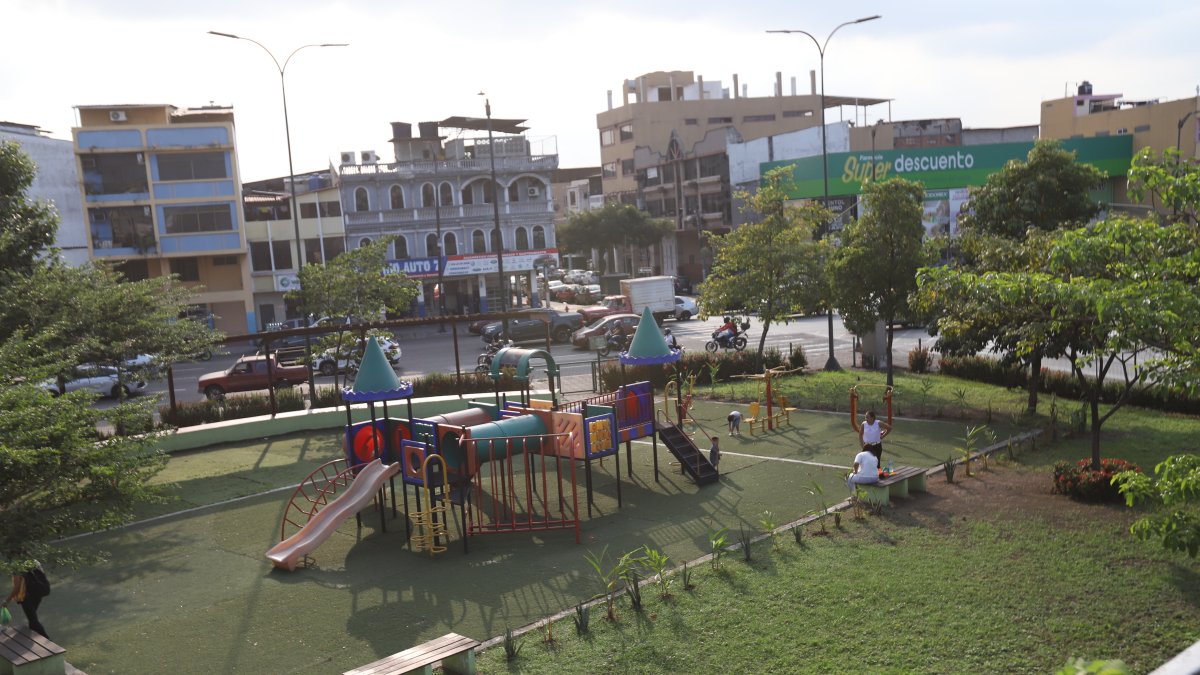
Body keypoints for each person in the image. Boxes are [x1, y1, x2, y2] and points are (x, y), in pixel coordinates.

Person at [4, 562, 50, 639]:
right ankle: (32, 638)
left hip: (26, 597)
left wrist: (7, 600)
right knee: (32, 619)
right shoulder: (34, 562)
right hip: (38, 594)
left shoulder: (17, 566)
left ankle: (47, 639)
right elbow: (43, 576)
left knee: (33, 620)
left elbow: (17, 586)